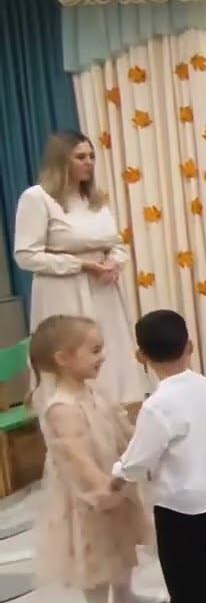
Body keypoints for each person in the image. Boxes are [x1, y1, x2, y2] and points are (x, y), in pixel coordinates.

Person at [29, 315, 162, 603]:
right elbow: (73, 455)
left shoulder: (92, 392)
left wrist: (138, 453)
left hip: (115, 479)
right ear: (63, 358)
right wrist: (100, 487)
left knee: (121, 537)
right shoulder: (61, 407)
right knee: (96, 548)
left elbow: (118, 428)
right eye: (94, 350)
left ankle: (124, 596)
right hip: (88, 495)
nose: (102, 356)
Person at [109, 310, 206, 603]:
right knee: (197, 552)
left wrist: (119, 474)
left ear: (140, 356)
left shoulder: (158, 405)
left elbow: (141, 455)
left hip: (175, 497)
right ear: (190, 346)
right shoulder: (201, 384)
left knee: (178, 562)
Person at [13, 131, 146, 404]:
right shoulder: (37, 198)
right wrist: (81, 265)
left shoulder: (94, 200)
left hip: (103, 289)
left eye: (91, 156)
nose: (89, 162)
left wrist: (113, 262)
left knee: (109, 350)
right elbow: (26, 255)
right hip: (63, 291)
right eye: (80, 157)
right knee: (73, 351)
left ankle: (115, 413)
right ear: (62, 160)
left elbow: (116, 242)